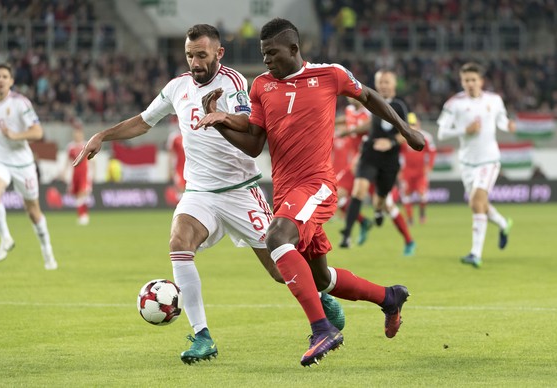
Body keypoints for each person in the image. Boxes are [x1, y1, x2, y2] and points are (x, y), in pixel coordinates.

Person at [72, 24, 344, 365]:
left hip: (240, 192)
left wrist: (221, 115)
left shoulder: (234, 84)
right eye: (189, 55)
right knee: (178, 244)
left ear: (219, 53)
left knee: (279, 271)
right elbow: (144, 121)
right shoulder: (176, 88)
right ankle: (202, 336)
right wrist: (102, 135)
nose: (195, 62)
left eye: (201, 55)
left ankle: (320, 294)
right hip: (199, 192)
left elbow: (250, 128)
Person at [195, 18, 425, 366]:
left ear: (293, 48)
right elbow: (255, 144)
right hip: (286, 192)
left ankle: (322, 329)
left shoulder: (330, 74)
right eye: (263, 54)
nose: (267, 60)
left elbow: (369, 97)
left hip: (316, 184)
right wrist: (221, 120)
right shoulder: (261, 86)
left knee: (276, 239)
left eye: (272, 53)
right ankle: (389, 297)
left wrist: (405, 129)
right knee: (321, 278)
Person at [0, 63, 58, 270]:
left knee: (32, 211)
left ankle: (47, 249)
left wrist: (15, 135)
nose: (1, 80)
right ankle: (5, 238)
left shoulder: (21, 103)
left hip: (23, 163)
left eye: (5, 76)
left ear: (11, 81)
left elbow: (38, 132)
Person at [437, 62, 515, 268]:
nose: (470, 84)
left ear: (481, 81)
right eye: (466, 80)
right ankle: (503, 224)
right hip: (467, 163)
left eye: (473, 80)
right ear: (462, 82)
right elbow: (442, 133)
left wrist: (509, 125)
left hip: (489, 160)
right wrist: (464, 130)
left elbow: (501, 122)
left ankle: (475, 254)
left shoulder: (495, 100)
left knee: (476, 201)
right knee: (480, 204)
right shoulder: (454, 104)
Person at [339, 70, 416, 256]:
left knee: (384, 204)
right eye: (380, 82)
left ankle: (408, 240)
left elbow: (409, 130)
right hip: (367, 157)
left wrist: (390, 142)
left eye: (387, 82)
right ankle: (347, 235)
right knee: (345, 193)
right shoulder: (369, 101)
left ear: (394, 84)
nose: (383, 85)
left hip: (387, 160)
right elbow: (359, 113)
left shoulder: (400, 106)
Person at [333, 98, 373, 245]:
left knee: (384, 205)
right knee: (336, 196)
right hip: (355, 164)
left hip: (368, 162)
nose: (350, 97)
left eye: (353, 95)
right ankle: (357, 227)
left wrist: (350, 131)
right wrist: (332, 120)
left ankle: (410, 241)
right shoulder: (350, 110)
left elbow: (369, 125)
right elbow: (347, 118)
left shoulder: (369, 112)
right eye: (348, 95)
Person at [399, 112, 437, 225]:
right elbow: (398, 154)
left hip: (421, 171)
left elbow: (432, 153)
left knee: (422, 194)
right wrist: (399, 170)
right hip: (407, 171)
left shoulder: (426, 137)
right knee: (406, 194)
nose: (413, 126)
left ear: (419, 123)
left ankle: (422, 215)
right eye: (410, 124)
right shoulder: (403, 138)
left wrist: (429, 166)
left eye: (414, 123)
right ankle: (410, 219)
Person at [62, 120, 92, 225]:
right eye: (75, 133)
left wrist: (93, 173)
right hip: (75, 175)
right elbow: (67, 161)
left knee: (81, 194)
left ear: (81, 134)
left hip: (84, 174)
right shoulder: (70, 147)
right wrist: (64, 172)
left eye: (79, 133)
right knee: (77, 196)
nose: (77, 135)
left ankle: (82, 216)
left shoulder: (86, 145)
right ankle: (84, 215)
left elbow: (92, 160)